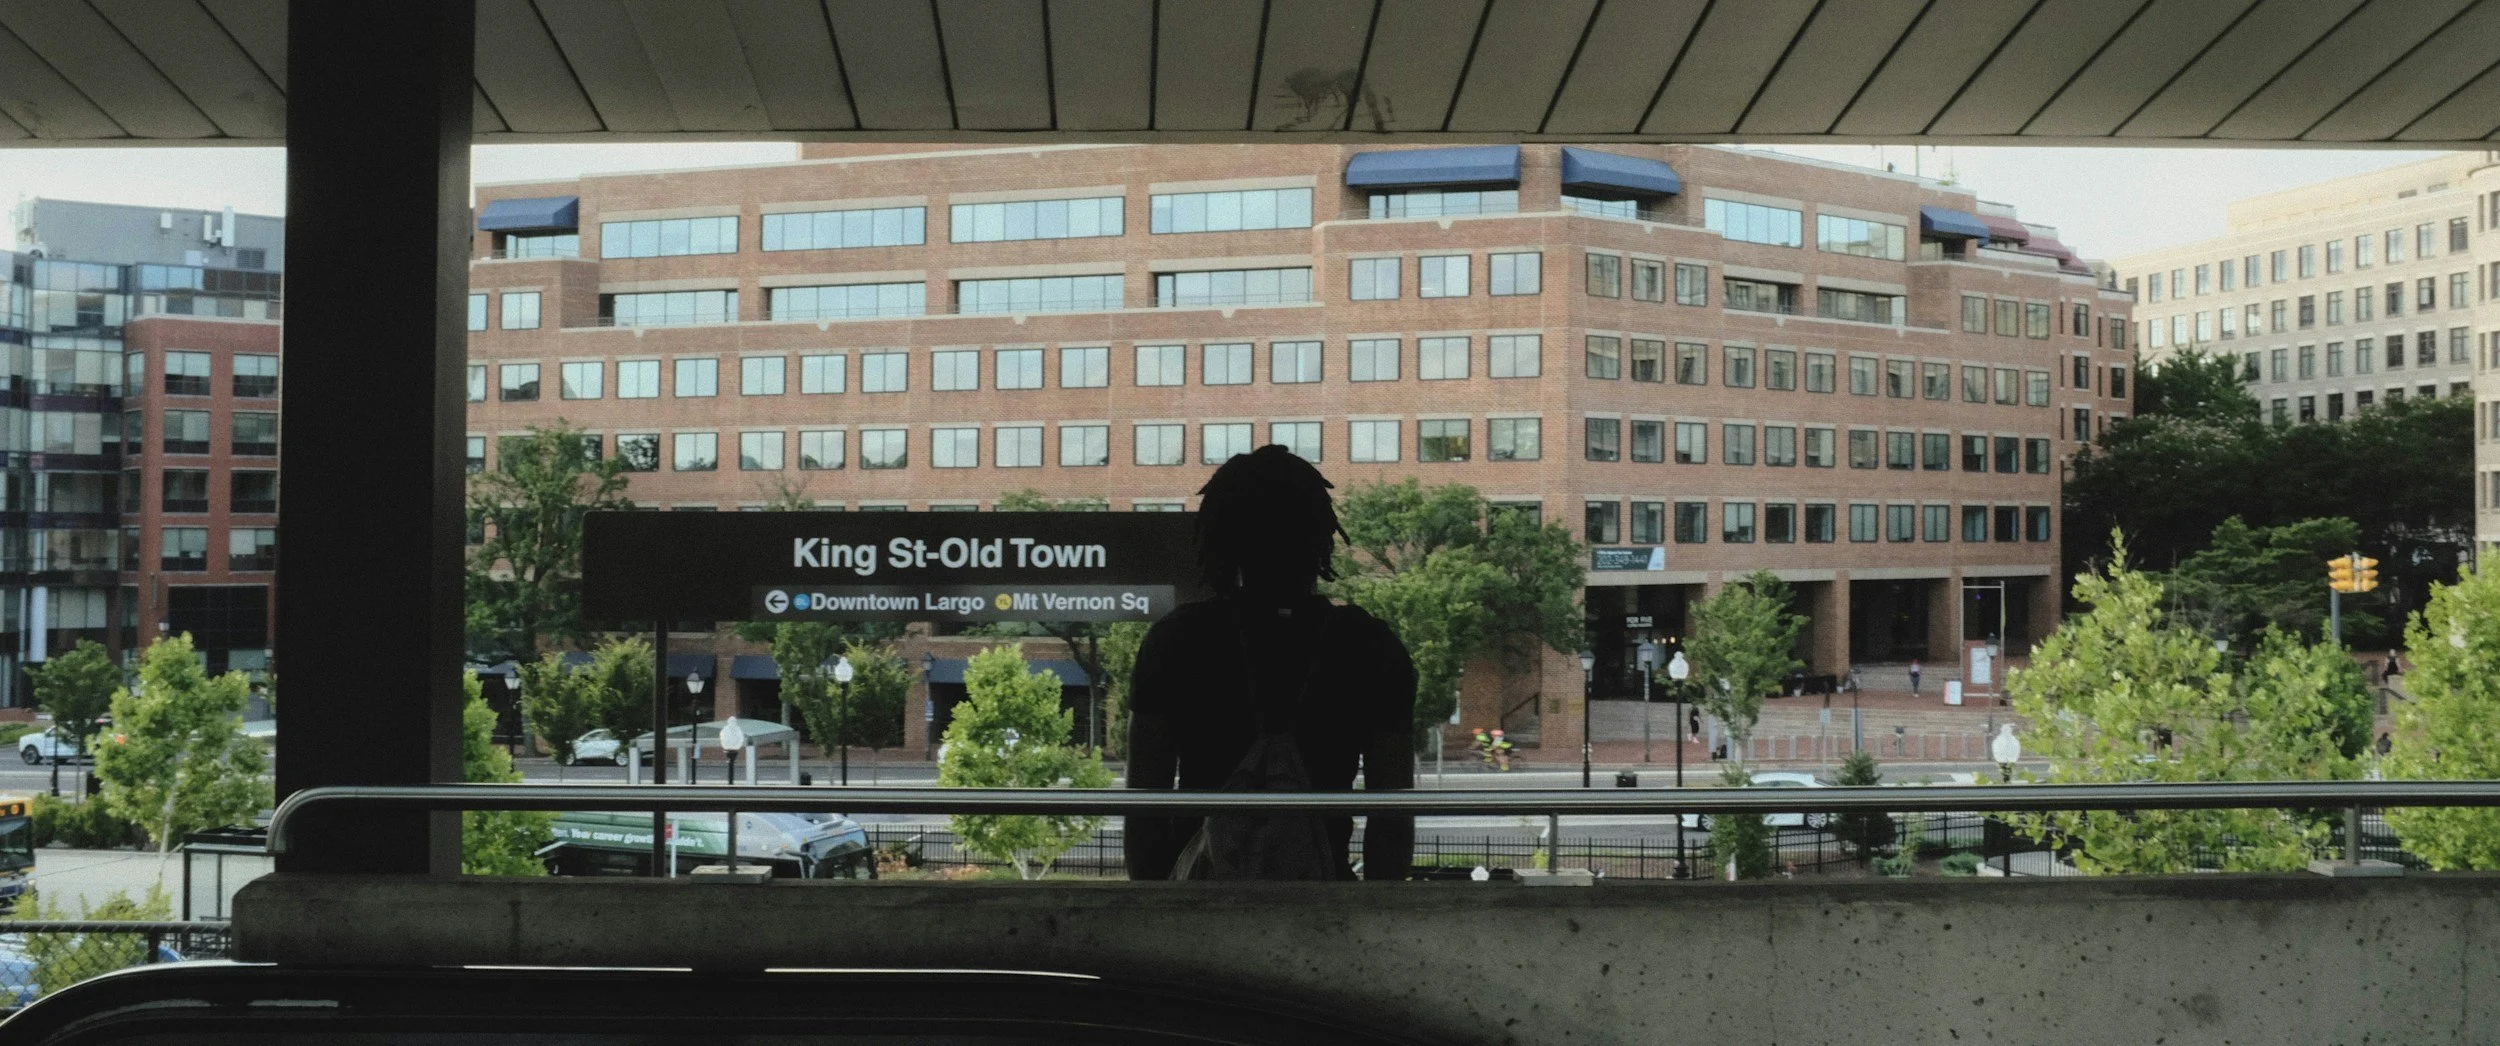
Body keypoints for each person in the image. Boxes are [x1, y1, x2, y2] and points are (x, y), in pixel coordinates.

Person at [1124, 446, 1417, 881]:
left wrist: (1158, 906)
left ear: (1221, 538)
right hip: (1322, 895)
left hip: (1203, 903)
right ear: (1320, 533)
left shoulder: (1178, 641)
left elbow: (1145, 807)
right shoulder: (1368, 646)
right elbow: (1392, 817)